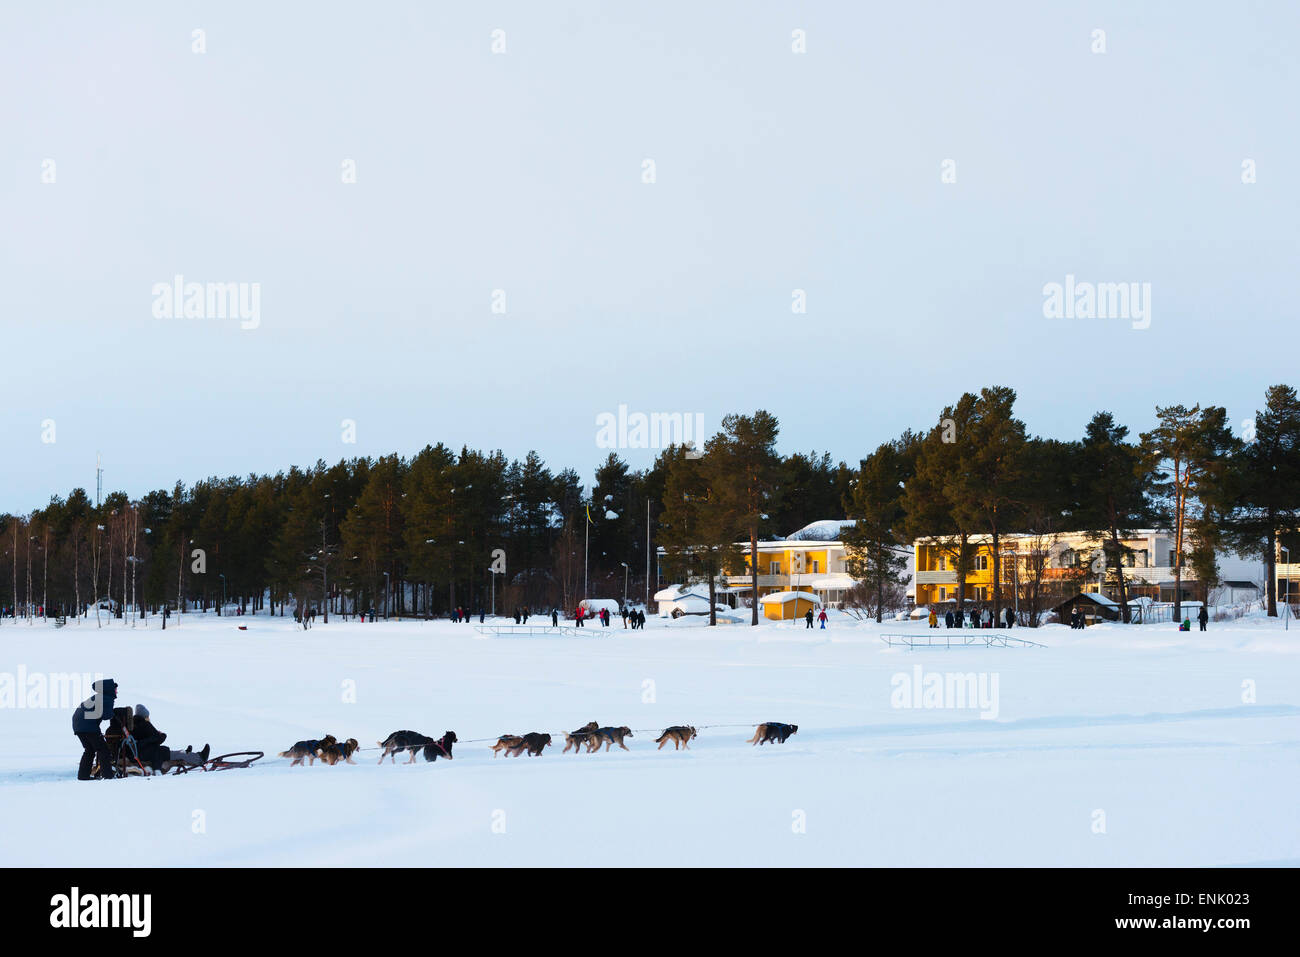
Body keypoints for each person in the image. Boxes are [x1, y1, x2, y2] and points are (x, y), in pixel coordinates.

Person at [131, 705, 210, 772]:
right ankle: (200, 758)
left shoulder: (134, 725)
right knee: (177, 755)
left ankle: (189, 754)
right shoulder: (145, 724)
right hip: (152, 753)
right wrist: (162, 734)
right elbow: (158, 739)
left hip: (144, 752)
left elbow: (148, 739)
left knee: (175, 753)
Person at [73, 678, 119, 780]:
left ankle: (83, 776)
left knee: (89, 750)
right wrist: (113, 713)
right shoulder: (107, 698)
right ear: (110, 689)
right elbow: (107, 716)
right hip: (89, 726)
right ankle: (107, 775)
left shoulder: (97, 697)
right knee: (104, 750)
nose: (116, 691)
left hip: (78, 725)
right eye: (115, 689)